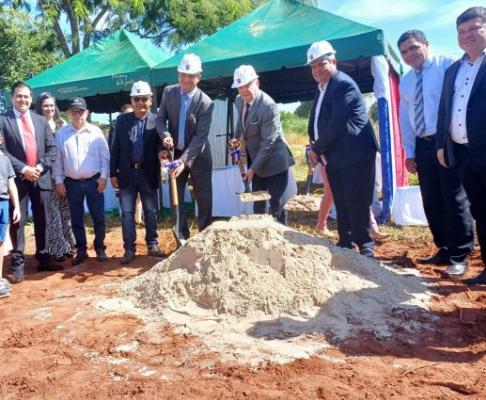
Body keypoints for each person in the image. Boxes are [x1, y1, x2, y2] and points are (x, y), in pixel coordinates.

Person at [398, 30, 474, 277]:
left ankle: (460, 253)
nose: (410, 54)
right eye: (404, 52)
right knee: (431, 198)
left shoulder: (448, 65)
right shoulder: (406, 81)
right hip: (422, 144)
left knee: (453, 196)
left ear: (426, 44)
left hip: (448, 140)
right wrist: (409, 152)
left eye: (413, 48)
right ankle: (443, 247)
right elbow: (405, 119)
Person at [306, 41, 379, 257]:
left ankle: (365, 245)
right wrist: (314, 145)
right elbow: (318, 121)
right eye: (313, 66)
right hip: (335, 155)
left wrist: (316, 149)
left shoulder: (342, 84)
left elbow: (337, 122)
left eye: (322, 64)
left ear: (334, 62)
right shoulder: (322, 88)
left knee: (356, 199)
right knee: (341, 198)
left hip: (355, 153)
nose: (317, 69)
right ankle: (346, 241)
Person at [436, 7, 486, 284]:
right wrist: (444, 144)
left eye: (474, 29)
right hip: (464, 152)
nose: (467, 36)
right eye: (461, 32)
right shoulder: (453, 70)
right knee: (478, 209)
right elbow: (445, 109)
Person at [0, 81, 62, 283]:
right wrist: (23, 169)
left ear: (30, 98)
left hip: (41, 178)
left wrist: (40, 168)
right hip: (17, 180)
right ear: (12, 98)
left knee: (43, 220)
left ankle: (44, 258)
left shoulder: (41, 121)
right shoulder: (3, 120)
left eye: (26, 96)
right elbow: (3, 151)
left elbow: (52, 149)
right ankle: (18, 265)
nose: (23, 99)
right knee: (18, 222)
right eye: (19, 96)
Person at [155, 53, 213, 244]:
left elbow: (200, 137)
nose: (186, 79)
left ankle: (204, 240)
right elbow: (160, 120)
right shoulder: (169, 93)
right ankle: (182, 241)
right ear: (178, 74)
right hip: (175, 154)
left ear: (199, 76)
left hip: (198, 157)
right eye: (182, 74)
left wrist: (184, 161)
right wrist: (165, 135)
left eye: (191, 75)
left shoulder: (205, 103)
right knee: (175, 200)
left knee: (203, 200)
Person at [229, 65, 295, 224]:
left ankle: (281, 241)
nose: (243, 90)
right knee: (258, 204)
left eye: (247, 85)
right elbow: (241, 123)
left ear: (256, 83)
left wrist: (253, 169)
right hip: (256, 159)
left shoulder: (268, 106)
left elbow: (268, 143)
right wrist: (235, 137)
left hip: (274, 161)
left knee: (276, 204)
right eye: (240, 87)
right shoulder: (239, 100)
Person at [110, 81, 164, 264]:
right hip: (126, 174)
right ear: (131, 101)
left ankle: (152, 245)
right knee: (127, 213)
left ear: (151, 100)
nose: (140, 102)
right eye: (136, 99)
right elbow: (115, 147)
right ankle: (129, 249)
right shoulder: (121, 121)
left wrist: (163, 152)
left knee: (150, 211)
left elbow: (160, 146)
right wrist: (113, 173)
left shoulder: (157, 121)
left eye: (144, 99)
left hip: (148, 174)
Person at [52, 97, 110, 266]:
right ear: (68, 113)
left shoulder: (96, 132)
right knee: (76, 219)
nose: (77, 115)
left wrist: (104, 177)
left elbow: (105, 158)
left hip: (94, 181)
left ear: (87, 113)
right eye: (73, 111)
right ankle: (81, 250)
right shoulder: (62, 133)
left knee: (98, 217)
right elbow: (58, 161)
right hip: (71, 183)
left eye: (81, 111)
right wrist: (59, 181)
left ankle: (100, 247)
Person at [34, 92, 76, 262]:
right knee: (53, 213)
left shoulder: (62, 124)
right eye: (45, 105)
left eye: (51, 105)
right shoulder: (36, 124)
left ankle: (69, 244)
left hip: (64, 174)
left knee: (66, 211)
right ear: (39, 107)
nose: (49, 108)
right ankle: (58, 249)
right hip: (46, 174)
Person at [0, 133, 20, 297]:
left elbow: (11, 184)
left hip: (4, 203)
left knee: (0, 242)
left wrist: (17, 207)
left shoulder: (5, 160)